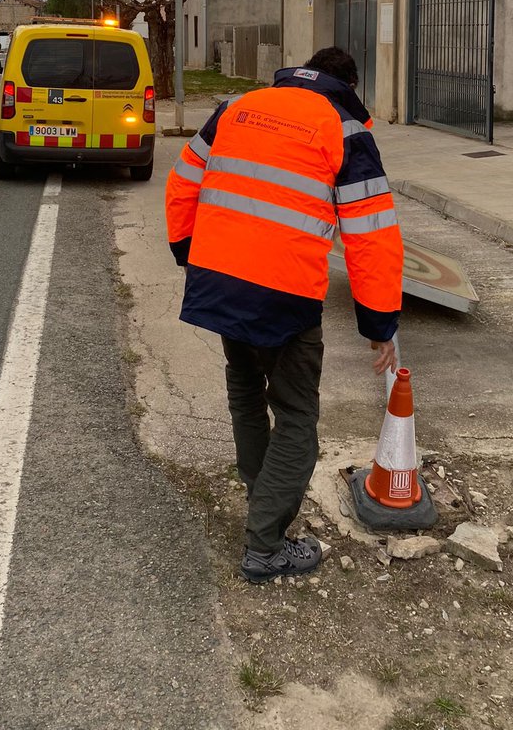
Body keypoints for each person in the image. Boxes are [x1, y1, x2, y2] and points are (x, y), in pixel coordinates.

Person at [165, 47, 403, 583]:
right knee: (296, 418)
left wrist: (191, 256)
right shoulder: (343, 130)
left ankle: (262, 500)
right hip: (283, 295)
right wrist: (379, 324)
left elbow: (182, 183)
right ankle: (265, 544)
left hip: (220, 280)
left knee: (247, 395)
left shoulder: (236, 107)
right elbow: (371, 236)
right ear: (348, 85)